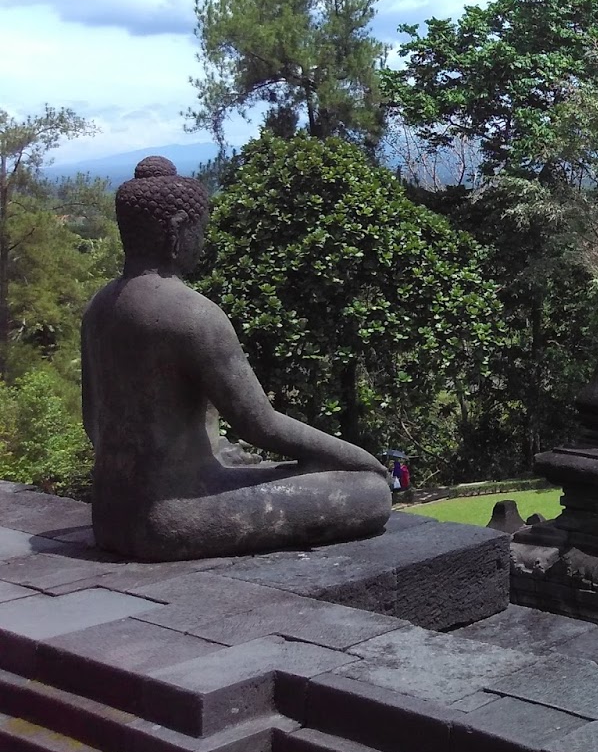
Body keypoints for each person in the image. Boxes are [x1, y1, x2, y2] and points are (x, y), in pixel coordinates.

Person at [80, 156, 391, 560]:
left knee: (284, 472)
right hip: (174, 518)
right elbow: (261, 424)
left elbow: (94, 423)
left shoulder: (99, 308)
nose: (202, 242)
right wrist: (362, 458)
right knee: (370, 492)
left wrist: (210, 448)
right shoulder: (191, 314)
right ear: (176, 231)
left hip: (110, 516)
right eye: (199, 231)